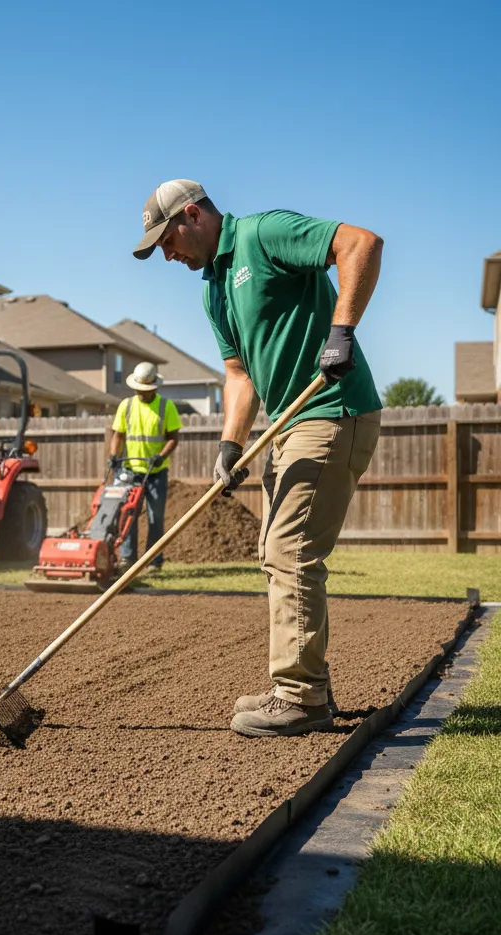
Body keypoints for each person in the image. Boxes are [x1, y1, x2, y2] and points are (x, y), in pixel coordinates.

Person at [132, 179, 383, 737]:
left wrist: (341, 331)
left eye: (166, 240)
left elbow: (361, 243)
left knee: (289, 551)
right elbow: (239, 375)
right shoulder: (212, 289)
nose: (167, 255)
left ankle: (301, 698)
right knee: (274, 554)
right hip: (287, 425)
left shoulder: (264, 233)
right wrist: (229, 444)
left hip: (332, 409)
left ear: (192, 215)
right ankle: (306, 683)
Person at [109, 362, 181, 572]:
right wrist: (113, 456)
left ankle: (153, 561)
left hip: (156, 472)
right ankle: (127, 559)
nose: (141, 393)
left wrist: (161, 456)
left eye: (145, 391)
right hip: (130, 471)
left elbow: (173, 438)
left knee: (154, 517)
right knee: (128, 514)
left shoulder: (166, 407)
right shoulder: (126, 405)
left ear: (154, 388)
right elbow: (118, 435)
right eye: (138, 390)